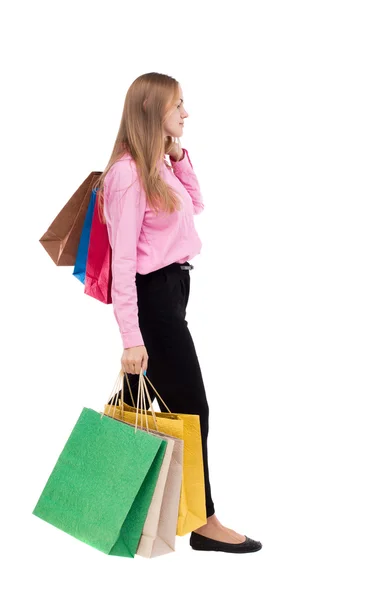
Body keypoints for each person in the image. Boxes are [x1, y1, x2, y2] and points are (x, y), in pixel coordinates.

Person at [95, 72, 262, 554]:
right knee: (191, 408)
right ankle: (204, 523)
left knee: (141, 409)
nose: (186, 113)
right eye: (178, 106)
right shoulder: (127, 175)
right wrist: (131, 337)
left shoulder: (157, 165)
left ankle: (118, 511)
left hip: (172, 294)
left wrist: (178, 156)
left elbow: (198, 205)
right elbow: (124, 265)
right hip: (152, 302)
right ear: (153, 113)